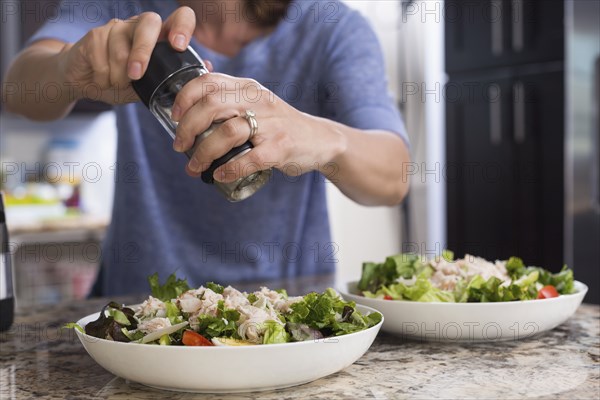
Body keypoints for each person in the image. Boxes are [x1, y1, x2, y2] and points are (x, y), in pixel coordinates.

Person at [4, 0, 410, 296]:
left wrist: (318, 137)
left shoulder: (331, 26)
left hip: (283, 315)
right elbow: (19, 88)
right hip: (138, 313)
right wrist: (67, 70)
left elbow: (394, 176)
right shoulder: (122, 8)